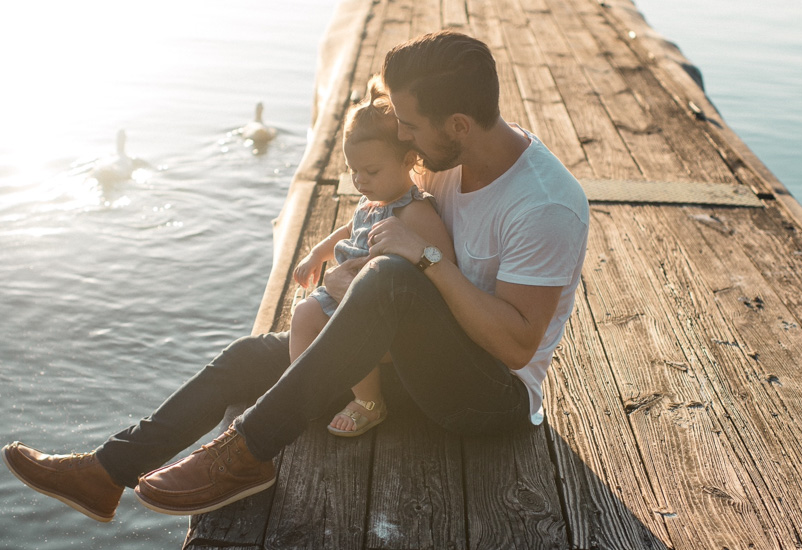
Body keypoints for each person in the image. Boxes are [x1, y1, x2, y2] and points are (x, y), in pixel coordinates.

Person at [2, 30, 589, 521]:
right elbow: (387, 219)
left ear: (458, 124)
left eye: (409, 124)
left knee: (389, 279)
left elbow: (515, 348)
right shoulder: (444, 162)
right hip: (412, 362)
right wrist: (339, 255)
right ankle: (106, 472)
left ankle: (247, 452)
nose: (401, 135)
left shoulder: (544, 205)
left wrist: (423, 260)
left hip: (488, 397)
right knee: (246, 358)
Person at [290, 76, 455, 436]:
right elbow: (349, 229)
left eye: (371, 171)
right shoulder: (372, 201)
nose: (360, 181)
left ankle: (369, 401)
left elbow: (443, 263)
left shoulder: (414, 211)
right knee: (302, 314)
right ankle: (305, 391)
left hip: (380, 310)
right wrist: (318, 253)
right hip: (345, 289)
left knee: (350, 332)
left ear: (409, 158)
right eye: (353, 172)